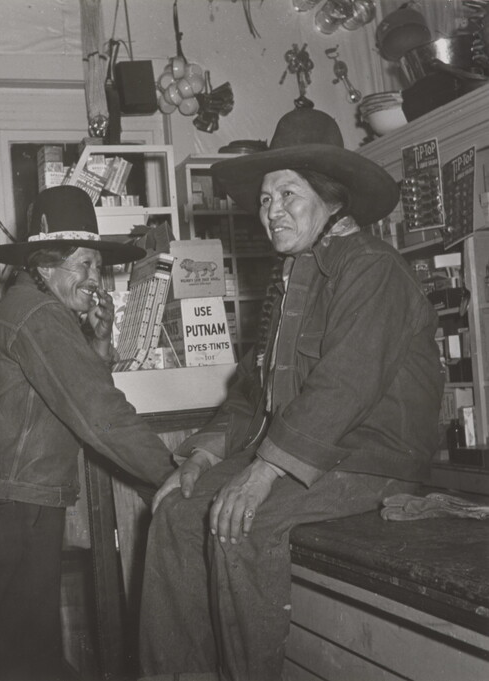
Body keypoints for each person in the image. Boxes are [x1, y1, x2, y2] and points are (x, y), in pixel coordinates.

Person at [138, 104, 445, 681]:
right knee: (176, 514)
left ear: (331, 199)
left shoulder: (371, 268)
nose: (270, 212)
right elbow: (253, 393)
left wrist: (261, 474)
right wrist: (202, 454)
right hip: (310, 456)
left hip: (371, 459)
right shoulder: (293, 278)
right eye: (265, 199)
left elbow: (342, 385)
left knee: (239, 524)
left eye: (287, 196)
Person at [0, 185, 176, 681]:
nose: (93, 278)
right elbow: (100, 416)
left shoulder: (31, 309)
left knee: (20, 652)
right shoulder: (40, 317)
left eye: (97, 265)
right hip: (20, 508)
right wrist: (177, 475)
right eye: (83, 263)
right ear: (46, 264)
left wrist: (98, 346)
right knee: (25, 660)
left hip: (9, 504)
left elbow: (73, 396)